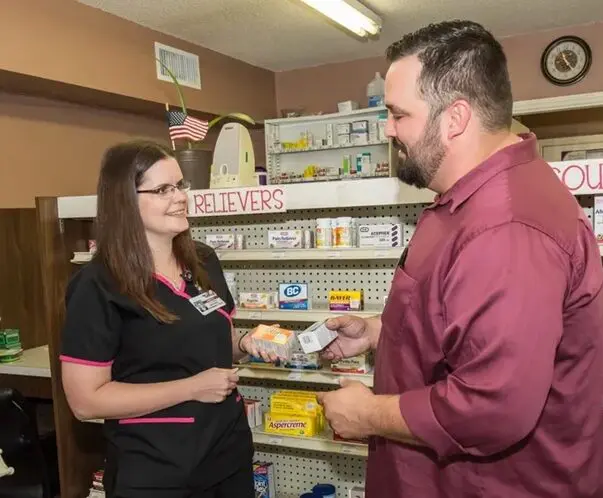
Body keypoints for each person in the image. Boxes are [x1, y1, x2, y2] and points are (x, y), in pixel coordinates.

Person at [317, 20, 603, 498]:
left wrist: (367, 414)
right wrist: (379, 332)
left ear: (454, 118)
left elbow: (493, 408)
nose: (388, 129)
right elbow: (461, 323)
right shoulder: (466, 201)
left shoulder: (506, 229)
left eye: (398, 114)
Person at [60, 140, 276, 498]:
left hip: (227, 456)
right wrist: (192, 388)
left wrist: (243, 343)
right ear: (125, 201)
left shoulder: (203, 261)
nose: (180, 197)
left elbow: (210, 342)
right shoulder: (98, 286)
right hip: (156, 469)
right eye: (163, 189)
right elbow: (86, 401)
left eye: (180, 185)